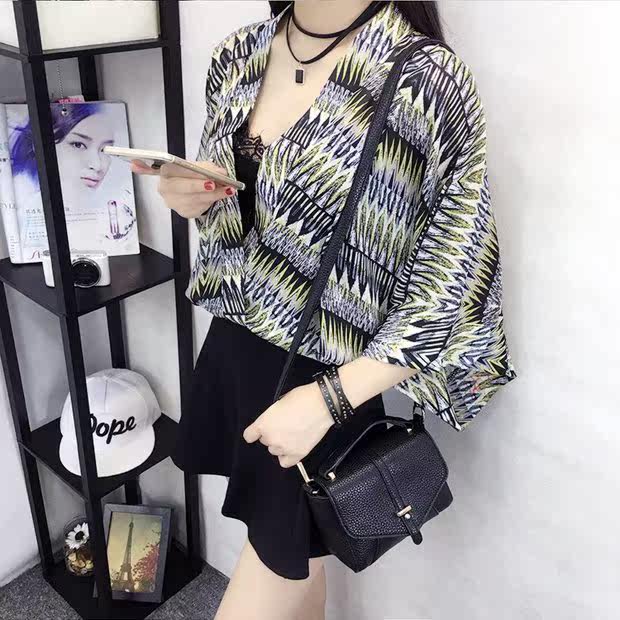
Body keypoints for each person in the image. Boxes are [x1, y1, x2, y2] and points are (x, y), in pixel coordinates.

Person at [131, 1, 517, 618]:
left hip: (325, 381)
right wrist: (195, 198)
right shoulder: (238, 54)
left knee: (278, 562)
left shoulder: (425, 79)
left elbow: (457, 277)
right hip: (239, 349)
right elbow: (244, 227)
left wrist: (331, 400)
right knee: (299, 564)